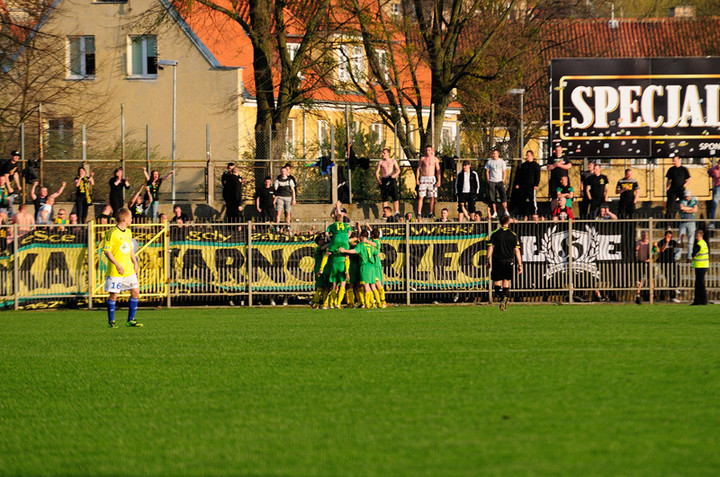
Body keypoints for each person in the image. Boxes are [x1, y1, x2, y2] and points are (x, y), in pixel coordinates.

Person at [102, 207, 142, 327]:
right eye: (130, 217)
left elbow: (129, 249)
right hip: (116, 270)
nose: (132, 219)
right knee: (114, 294)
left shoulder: (129, 232)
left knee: (135, 291)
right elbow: (107, 251)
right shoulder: (112, 233)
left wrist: (135, 263)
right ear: (124, 219)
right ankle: (111, 322)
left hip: (128, 269)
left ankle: (130, 320)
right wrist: (117, 265)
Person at [486, 214, 522, 311]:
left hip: (497, 261)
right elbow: (517, 251)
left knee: (496, 283)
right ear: (508, 222)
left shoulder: (495, 233)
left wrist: (487, 260)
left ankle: (502, 296)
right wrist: (520, 264)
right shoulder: (513, 235)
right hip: (509, 261)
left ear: (500, 222)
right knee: (506, 282)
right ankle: (504, 304)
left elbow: (490, 247)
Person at [339, 230, 380, 309]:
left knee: (363, 286)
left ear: (361, 237)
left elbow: (354, 251)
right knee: (371, 286)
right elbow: (378, 253)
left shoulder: (359, 245)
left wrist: (344, 250)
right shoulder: (370, 245)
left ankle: (361, 304)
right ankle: (377, 303)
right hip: (372, 267)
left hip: (362, 267)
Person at [512, 150, 541, 220]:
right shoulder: (523, 166)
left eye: (528, 155)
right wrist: (517, 184)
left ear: (532, 156)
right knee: (522, 200)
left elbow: (537, 176)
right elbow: (519, 176)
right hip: (523, 186)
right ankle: (523, 213)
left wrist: (536, 184)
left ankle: (534, 212)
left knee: (532, 200)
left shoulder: (536, 166)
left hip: (531, 186)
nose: (527, 156)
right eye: (526, 155)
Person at [655, 228, 680, 303]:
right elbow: (661, 250)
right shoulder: (661, 242)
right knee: (669, 278)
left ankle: (676, 287)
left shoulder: (673, 242)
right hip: (664, 263)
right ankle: (672, 296)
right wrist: (666, 243)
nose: (670, 238)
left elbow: (679, 248)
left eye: (670, 237)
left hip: (672, 261)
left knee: (677, 274)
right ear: (665, 236)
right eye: (668, 236)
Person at [415, 145, 441, 218]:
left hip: (431, 179)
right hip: (423, 178)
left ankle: (431, 212)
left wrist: (439, 180)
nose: (428, 152)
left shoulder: (435, 159)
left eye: (429, 150)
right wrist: (417, 179)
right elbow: (418, 169)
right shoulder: (423, 158)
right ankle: (419, 213)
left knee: (432, 197)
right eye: (426, 150)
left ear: (432, 150)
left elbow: (438, 170)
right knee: (421, 196)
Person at [376, 148, 400, 217]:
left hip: (392, 179)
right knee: (384, 198)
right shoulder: (380, 162)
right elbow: (377, 172)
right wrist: (379, 180)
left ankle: (396, 213)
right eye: (382, 153)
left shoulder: (393, 161)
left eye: (384, 153)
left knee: (395, 197)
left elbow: (398, 170)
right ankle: (385, 213)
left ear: (388, 153)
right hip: (384, 180)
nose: (382, 154)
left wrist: (394, 175)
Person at [547, 143, 572, 211]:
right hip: (554, 180)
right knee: (554, 196)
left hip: (564, 180)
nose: (558, 152)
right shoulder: (551, 158)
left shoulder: (565, 158)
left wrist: (560, 165)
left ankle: (566, 211)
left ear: (561, 151)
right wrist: (555, 165)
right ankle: (554, 213)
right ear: (554, 151)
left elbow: (569, 166)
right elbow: (549, 167)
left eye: (559, 150)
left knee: (565, 195)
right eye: (556, 150)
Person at [485, 148, 508, 218]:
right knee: (493, 198)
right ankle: (495, 212)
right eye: (492, 154)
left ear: (498, 154)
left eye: (494, 154)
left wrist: (503, 180)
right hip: (492, 182)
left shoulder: (502, 162)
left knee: (503, 196)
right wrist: (488, 180)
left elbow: (504, 172)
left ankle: (506, 211)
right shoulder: (489, 162)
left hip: (500, 181)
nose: (493, 155)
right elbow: (487, 172)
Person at [677, 189, 698, 261]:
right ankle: (677, 256)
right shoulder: (681, 201)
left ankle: (689, 256)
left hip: (691, 222)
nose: (686, 198)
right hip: (683, 222)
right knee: (680, 239)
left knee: (691, 240)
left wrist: (686, 209)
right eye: (685, 196)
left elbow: (695, 210)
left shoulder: (694, 200)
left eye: (688, 196)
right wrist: (690, 209)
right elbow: (681, 208)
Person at [0, 150, 22, 214]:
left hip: (8, 183)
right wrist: (9, 188)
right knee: (9, 198)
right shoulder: (8, 164)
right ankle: (10, 214)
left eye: (18, 156)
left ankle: (8, 213)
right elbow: (5, 177)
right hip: (3, 183)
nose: (17, 157)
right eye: (15, 156)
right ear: (11, 156)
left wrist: (18, 185)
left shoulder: (15, 164)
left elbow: (15, 175)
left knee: (10, 199)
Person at [691, 228, 709, 306]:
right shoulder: (704, 243)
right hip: (703, 265)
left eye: (696, 235)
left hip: (700, 265)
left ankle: (701, 300)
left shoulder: (699, 244)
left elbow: (693, 254)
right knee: (699, 283)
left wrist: (694, 254)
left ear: (699, 235)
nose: (695, 236)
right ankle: (700, 300)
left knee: (700, 284)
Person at [635, 230, 651, 304]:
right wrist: (636, 249)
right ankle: (637, 295)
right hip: (640, 262)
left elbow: (655, 251)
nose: (644, 236)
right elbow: (635, 250)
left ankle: (651, 295)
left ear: (648, 235)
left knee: (649, 279)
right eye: (643, 235)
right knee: (639, 280)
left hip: (648, 262)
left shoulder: (649, 243)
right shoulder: (638, 242)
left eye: (645, 235)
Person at [708, 162, 720, 229]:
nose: (719, 166)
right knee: (714, 205)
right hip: (717, 187)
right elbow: (709, 171)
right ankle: (712, 223)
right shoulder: (714, 168)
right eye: (718, 164)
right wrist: (712, 175)